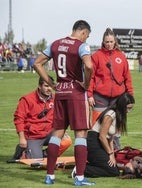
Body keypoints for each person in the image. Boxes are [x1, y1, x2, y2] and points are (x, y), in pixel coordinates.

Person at [33, 20, 94, 186]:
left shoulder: (55, 44)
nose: (86, 39)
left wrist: (51, 83)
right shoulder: (81, 46)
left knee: (57, 134)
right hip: (76, 93)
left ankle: (50, 176)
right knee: (81, 135)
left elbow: (37, 63)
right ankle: (80, 178)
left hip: (60, 92)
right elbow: (89, 65)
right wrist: (86, 84)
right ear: (83, 32)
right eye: (86, 36)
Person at [88, 28, 134, 149]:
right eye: (106, 42)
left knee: (116, 124)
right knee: (97, 124)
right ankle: (95, 149)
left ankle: (116, 149)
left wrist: (130, 96)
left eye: (111, 41)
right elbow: (91, 77)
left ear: (115, 42)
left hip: (118, 98)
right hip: (100, 96)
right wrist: (90, 95)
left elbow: (127, 77)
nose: (109, 44)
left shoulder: (121, 56)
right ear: (103, 42)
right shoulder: (96, 56)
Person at [11, 76, 72, 160]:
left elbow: (60, 116)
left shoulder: (55, 98)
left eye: (51, 86)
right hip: (33, 136)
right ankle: (23, 151)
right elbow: (19, 119)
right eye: (46, 86)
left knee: (66, 141)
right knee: (35, 161)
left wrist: (60, 130)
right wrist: (22, 138)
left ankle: (45, 154)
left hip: (49, 133)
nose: (49, 89)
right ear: (39, 86)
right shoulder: (27, 99)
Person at [82, 93, 135, 177]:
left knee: (114, 169)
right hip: (94, 142)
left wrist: (112, 155)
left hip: (101, 143)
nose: (128, 111)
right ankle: (82, 170)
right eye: (128, 108)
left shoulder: (118, 115)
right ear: (122, 105)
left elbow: (110, 138)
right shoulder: (110, 114)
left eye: (131, 108)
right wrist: (110, 154)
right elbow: (102, 136)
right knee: (112, 171)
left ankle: (84, 167)